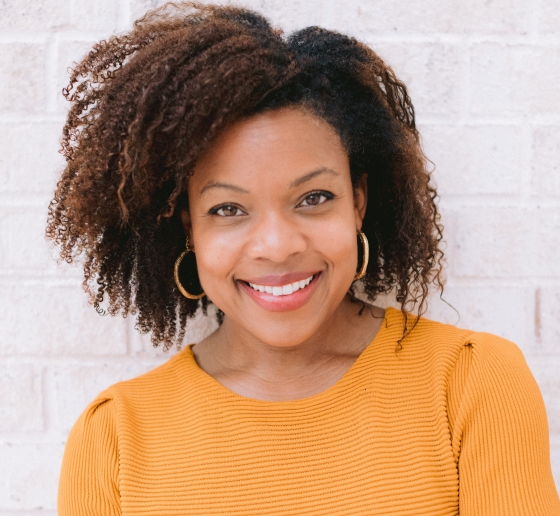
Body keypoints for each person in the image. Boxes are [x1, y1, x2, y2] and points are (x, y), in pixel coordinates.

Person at [48, 2, 560, 514]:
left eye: (314, 198)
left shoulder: (471, 384)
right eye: (228, 209)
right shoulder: (115, 438)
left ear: (358, 202)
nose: (277, 245)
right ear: (190, 227)